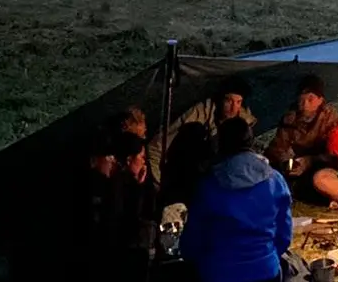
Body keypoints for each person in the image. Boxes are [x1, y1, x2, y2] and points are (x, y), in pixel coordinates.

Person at [184, 118, 294, 282]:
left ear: (220, 145)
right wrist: (265, 258)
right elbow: (284, 236)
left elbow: (192, 243)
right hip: (265, 271)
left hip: (219, 273)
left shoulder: (208, 185)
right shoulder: (275, 180)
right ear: (251, 141)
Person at [148, 76, 257, 202]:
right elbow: (156, 147)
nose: (233, 108)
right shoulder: (201, 114)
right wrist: (160, 187)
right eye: (229, 101)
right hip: (189, 183)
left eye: (238, 102)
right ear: (220, 100)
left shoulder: (243, 126)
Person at [76, 108, 154, 282]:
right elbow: (121, 226)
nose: (142, 141)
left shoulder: (127, 180)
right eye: (137, 136)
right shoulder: (108, 182)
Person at [263, 74, 338, 203]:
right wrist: (286, 162)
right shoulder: (290, 118)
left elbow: (335, 152)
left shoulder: (330, 119)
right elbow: (276, 148)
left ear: (320, 100)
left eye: (310, 99)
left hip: (321, 165)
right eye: (302, 100)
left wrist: (310, 161)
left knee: (318, 181)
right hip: (296, 167)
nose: (305, 104)